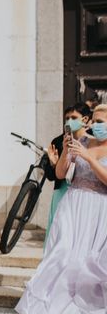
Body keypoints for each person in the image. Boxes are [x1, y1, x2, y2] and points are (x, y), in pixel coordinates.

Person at [16, 104, 107, 314]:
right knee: (63, 258)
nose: (95, 126)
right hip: (74, 207)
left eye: (101, 122)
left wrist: (88, 158)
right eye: (95, 121)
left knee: (95, 270)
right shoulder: (82, 142)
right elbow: (61, 173)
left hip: (100, 212)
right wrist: (66, 153)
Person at [42, 103, 92, 240]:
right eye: (67, 118)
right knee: (61, 236)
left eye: (74, 117)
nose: (69, 121)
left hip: (86, 194)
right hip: (62, 192)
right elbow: (51, 176)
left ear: (85, 119)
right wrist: (54, 164)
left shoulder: (94, 141)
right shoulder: (58, 141)